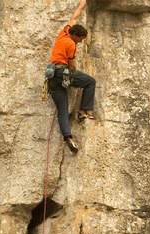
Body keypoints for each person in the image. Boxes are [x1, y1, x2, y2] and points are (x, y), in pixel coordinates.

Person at [48, 0, 95, 153]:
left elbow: (74, 18)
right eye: (80, 39)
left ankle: (69, 138)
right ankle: (84, 111)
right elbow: (72, 65)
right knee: (90, 82)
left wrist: (82, 4)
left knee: (62, 110)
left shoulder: (64, 32)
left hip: (52, 76)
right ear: (76, 35)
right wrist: (74, 75)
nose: (80, 42)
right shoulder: (71, 44)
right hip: (62, 72)